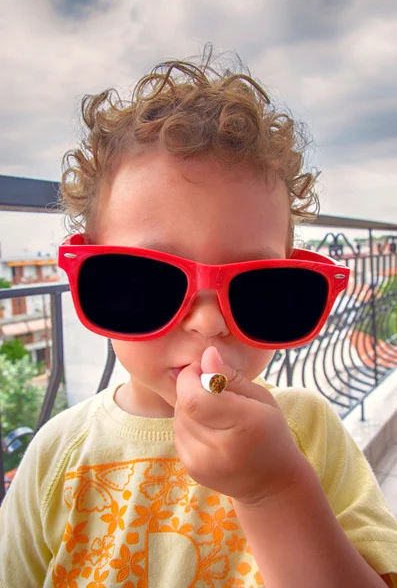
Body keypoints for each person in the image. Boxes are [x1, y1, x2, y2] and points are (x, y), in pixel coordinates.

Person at [1, 47, 396, 588]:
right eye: (145, 281)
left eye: (260, 286)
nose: (209, 324)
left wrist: (275, 491)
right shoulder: (56, 457)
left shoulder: (308, 433)